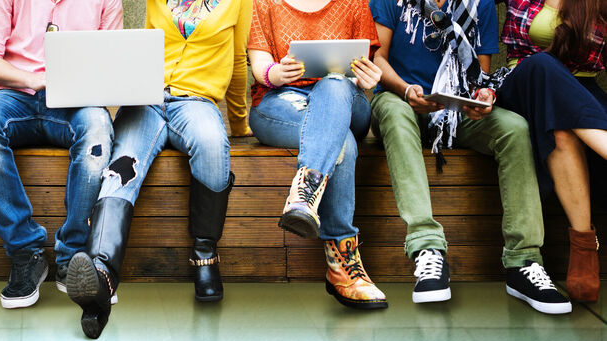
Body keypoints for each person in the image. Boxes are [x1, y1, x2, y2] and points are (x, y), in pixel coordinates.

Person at [66, 0, 252, 339]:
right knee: (121, 168)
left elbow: (238, 60)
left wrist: (239, 124)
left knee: (213, 143)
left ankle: (205, 255)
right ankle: (101, 272)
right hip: (146, 100)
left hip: (196, 102)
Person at [370, 0, 571, 313]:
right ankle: (428, 249)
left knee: (515, 129)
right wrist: (406, 89)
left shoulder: (480, 4)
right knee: (396, 116)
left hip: (454, 109)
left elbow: (480, 75)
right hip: (400, 99)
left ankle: (524, 261)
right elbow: (377, 58)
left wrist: (482, 97)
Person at [0, 0, 122, 310]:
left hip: (75, 101)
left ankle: (74, 255)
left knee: (99, 128)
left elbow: (111, 64)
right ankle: (26, 254)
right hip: (13, 95)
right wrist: (33, 79)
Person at [247, 0, 387, 310]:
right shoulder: (264, 3)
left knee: (334, 83)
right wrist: (277, 73)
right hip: (282, 102)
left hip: (346, 98)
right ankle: (343, 266)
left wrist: (367, 79)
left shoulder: (354, 3)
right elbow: (259, 66)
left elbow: (367, 63)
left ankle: (304, 194)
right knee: (343, 143)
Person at [497, 0, 607, 302]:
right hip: (523, 86)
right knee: (543, 65)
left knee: (561, 127)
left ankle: (584, 245)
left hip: (582, 93)